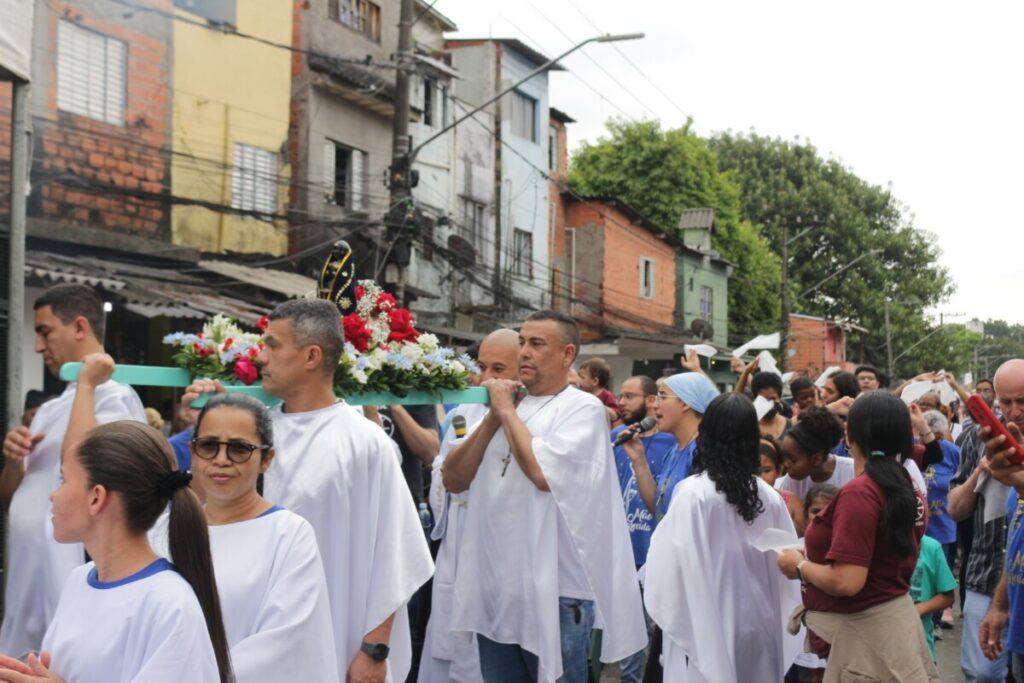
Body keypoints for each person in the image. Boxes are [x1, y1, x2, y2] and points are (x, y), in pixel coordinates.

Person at [184, 298, 433, 683]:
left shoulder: (365, 442)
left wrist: (374, 649)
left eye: (272, 345)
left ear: (311, 356)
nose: (260, 356)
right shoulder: (252, 433)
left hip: (337, 635)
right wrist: (208, 418)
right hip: (246, 634)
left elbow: (394, 552)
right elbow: (205, 504)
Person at [443, 310, 646, 682]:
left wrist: (505, 412)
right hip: (497, 587)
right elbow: (453, 480)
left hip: (557, 591)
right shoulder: (499, 404)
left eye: (537, 344)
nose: (524, 352)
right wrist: (492, 419)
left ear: (567, 354)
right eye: (521, 342)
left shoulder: (582, 409)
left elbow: (541, 474)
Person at [0, 419, 229, 682]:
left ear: (96, 497)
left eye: (63, 479)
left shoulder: (169, 603)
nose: (53, 495)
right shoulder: (80, 579)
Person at [0, 284, 146, 657]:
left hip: (67, 584)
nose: (38, 346)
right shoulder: (50, 410)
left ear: (80, 328)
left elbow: (80, 467)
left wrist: (87, 382)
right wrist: (15, 460)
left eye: (44, 332)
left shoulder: (117, 398)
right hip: (25, 591)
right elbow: (9, 498)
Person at [152, 393, 339, 682]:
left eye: (240, 448)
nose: (221, 460)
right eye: (209, 446)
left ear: (267, 459)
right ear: (192, 451)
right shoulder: (164, 530)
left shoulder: (289, 535)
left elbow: (283, 643)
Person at [777, 390, 938, 682]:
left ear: (850, 435)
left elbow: (847, 581)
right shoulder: (907, 483)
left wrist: (799, 567)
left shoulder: (861, 492)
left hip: (865, 640)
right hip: (890, 627)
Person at [644, 393, 803, 682]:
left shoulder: (692, 494)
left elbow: (668, 570)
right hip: (760, 625)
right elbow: (785, 572)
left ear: (706, 434)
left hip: (707, 628)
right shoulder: (770, 497)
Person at [419, 328, 520, 683]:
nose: (487, 378)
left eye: (498, 368)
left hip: (494, 541)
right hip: (458, 530)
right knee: (448, 626)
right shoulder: (463, 409)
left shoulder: (523, 415)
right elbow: (441, 466)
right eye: (482, 366)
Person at [948, 359, 1024, 683]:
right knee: (982, 673)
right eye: (1005, 401)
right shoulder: (976, 439)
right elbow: (954, 509)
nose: (1014, 410)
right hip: (985, 573)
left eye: (1022, 400)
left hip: (1014, 582)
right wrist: (980, 472)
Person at [610, 375, 677, 683]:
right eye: (621, 396)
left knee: (655, 635)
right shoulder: (618, 437)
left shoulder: (672, 440)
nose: (622, 402)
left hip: (653, 555)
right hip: (622, 553)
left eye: (630, 396)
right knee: (626, 636)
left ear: (652, 400)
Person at [623, 372, 719, 521]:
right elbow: (658, 508)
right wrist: (639, 460)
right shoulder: (674, 450)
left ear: (686, 402)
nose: (655, 405)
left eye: (662, 396)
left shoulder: (703, 453)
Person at [921, 409, 960, 630]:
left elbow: (960, 480)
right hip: (919, 525)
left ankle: (935, 619)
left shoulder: (953, 452)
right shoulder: (914, 449)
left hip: (943, 524)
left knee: (939, 574)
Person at [774, 407, 851, 501]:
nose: (785, 464)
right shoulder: (790, 481)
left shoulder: (852, 472)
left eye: (793, 460)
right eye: (784, 456)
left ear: (816, 459)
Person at [911, 534, 957, 664]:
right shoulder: (879, 543)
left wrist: (920, 609)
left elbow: (948, 596)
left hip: (922, 649)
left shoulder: (930, 547)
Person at [579, 358, 622, 426]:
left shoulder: (607, 396)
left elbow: (615, 415)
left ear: (595, 381)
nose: (579, 380)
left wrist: (599, 407)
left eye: (582, 378)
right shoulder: (583, 396)